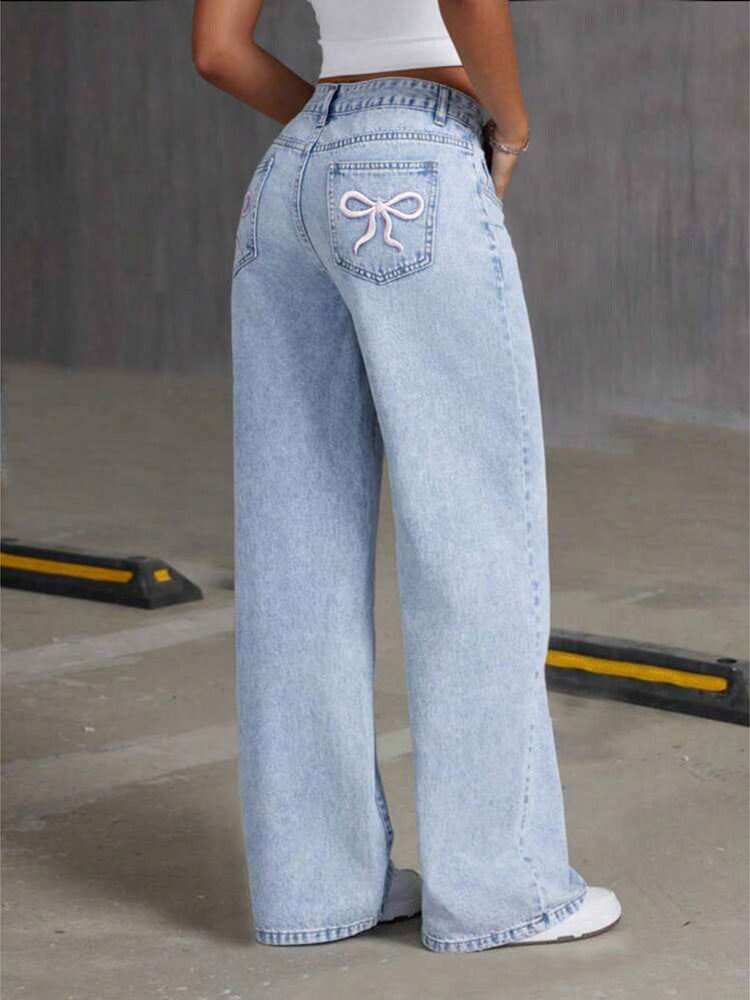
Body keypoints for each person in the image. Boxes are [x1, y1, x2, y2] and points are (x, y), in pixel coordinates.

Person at [193, 0, 622, 955]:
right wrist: (511, 126)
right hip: (415, 160)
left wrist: (336, 133)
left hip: (291, 175)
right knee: (472, 532)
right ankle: (503, 891)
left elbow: (218, 52)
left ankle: (316, 888)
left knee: (295, 550)